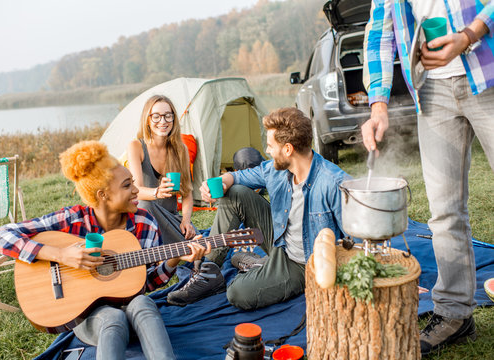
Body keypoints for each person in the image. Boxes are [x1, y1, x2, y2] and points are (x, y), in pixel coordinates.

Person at [0, 140, 210, 360]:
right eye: (126, 186)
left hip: (133, 308)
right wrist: (61, 254)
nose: (136, 190)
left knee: (144, 302)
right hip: (87, 316)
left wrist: (174, 259)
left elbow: (147, 282)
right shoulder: (73, 218)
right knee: (113, 318)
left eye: (133, 182)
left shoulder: (145, 222)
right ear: (103, 195)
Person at [362, 0, 494, 356]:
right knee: (444, 212)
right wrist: (378, 104)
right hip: (432, 92)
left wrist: (470, 34)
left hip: (487, 69)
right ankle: (454, 313)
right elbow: (379, 32)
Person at [197, 107, 349, 310]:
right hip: (280, 239)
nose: (267, 151)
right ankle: (209, 272)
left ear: (288, 149)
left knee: (237, 292)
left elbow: (353, 241)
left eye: (270, 146)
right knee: (234, 193)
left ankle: (261, 266)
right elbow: (237, 177)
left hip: (303, 263)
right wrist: (219, 182)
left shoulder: (333, 183)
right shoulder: (276, 170)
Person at [126, 95, 226, 306]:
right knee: (146, 205)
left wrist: (187, 220)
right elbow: (135, 192)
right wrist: (156, 192)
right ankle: (196, 258)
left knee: (194, 238)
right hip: (144, 220)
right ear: (147, 119)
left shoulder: (178, 148)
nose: (163, 121)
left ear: (174, 119)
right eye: (157, 116)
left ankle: (192, 256)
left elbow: (187, 193)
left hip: (171, 219)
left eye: (168, 116)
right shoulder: (136, 146)